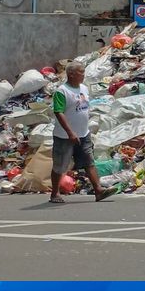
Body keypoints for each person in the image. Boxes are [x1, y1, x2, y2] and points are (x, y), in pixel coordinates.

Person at [50, 62, 114, 204]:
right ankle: (54, 193)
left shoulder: (84, 89)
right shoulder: (62, 91)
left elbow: (83, 108)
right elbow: (59, 112)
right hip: (65, 136)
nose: (83, 75)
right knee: (60, 165)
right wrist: (70, 133)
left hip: (84, 133)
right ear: (71, 74)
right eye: (81, 72)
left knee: (89, 162)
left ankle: (98, 191)